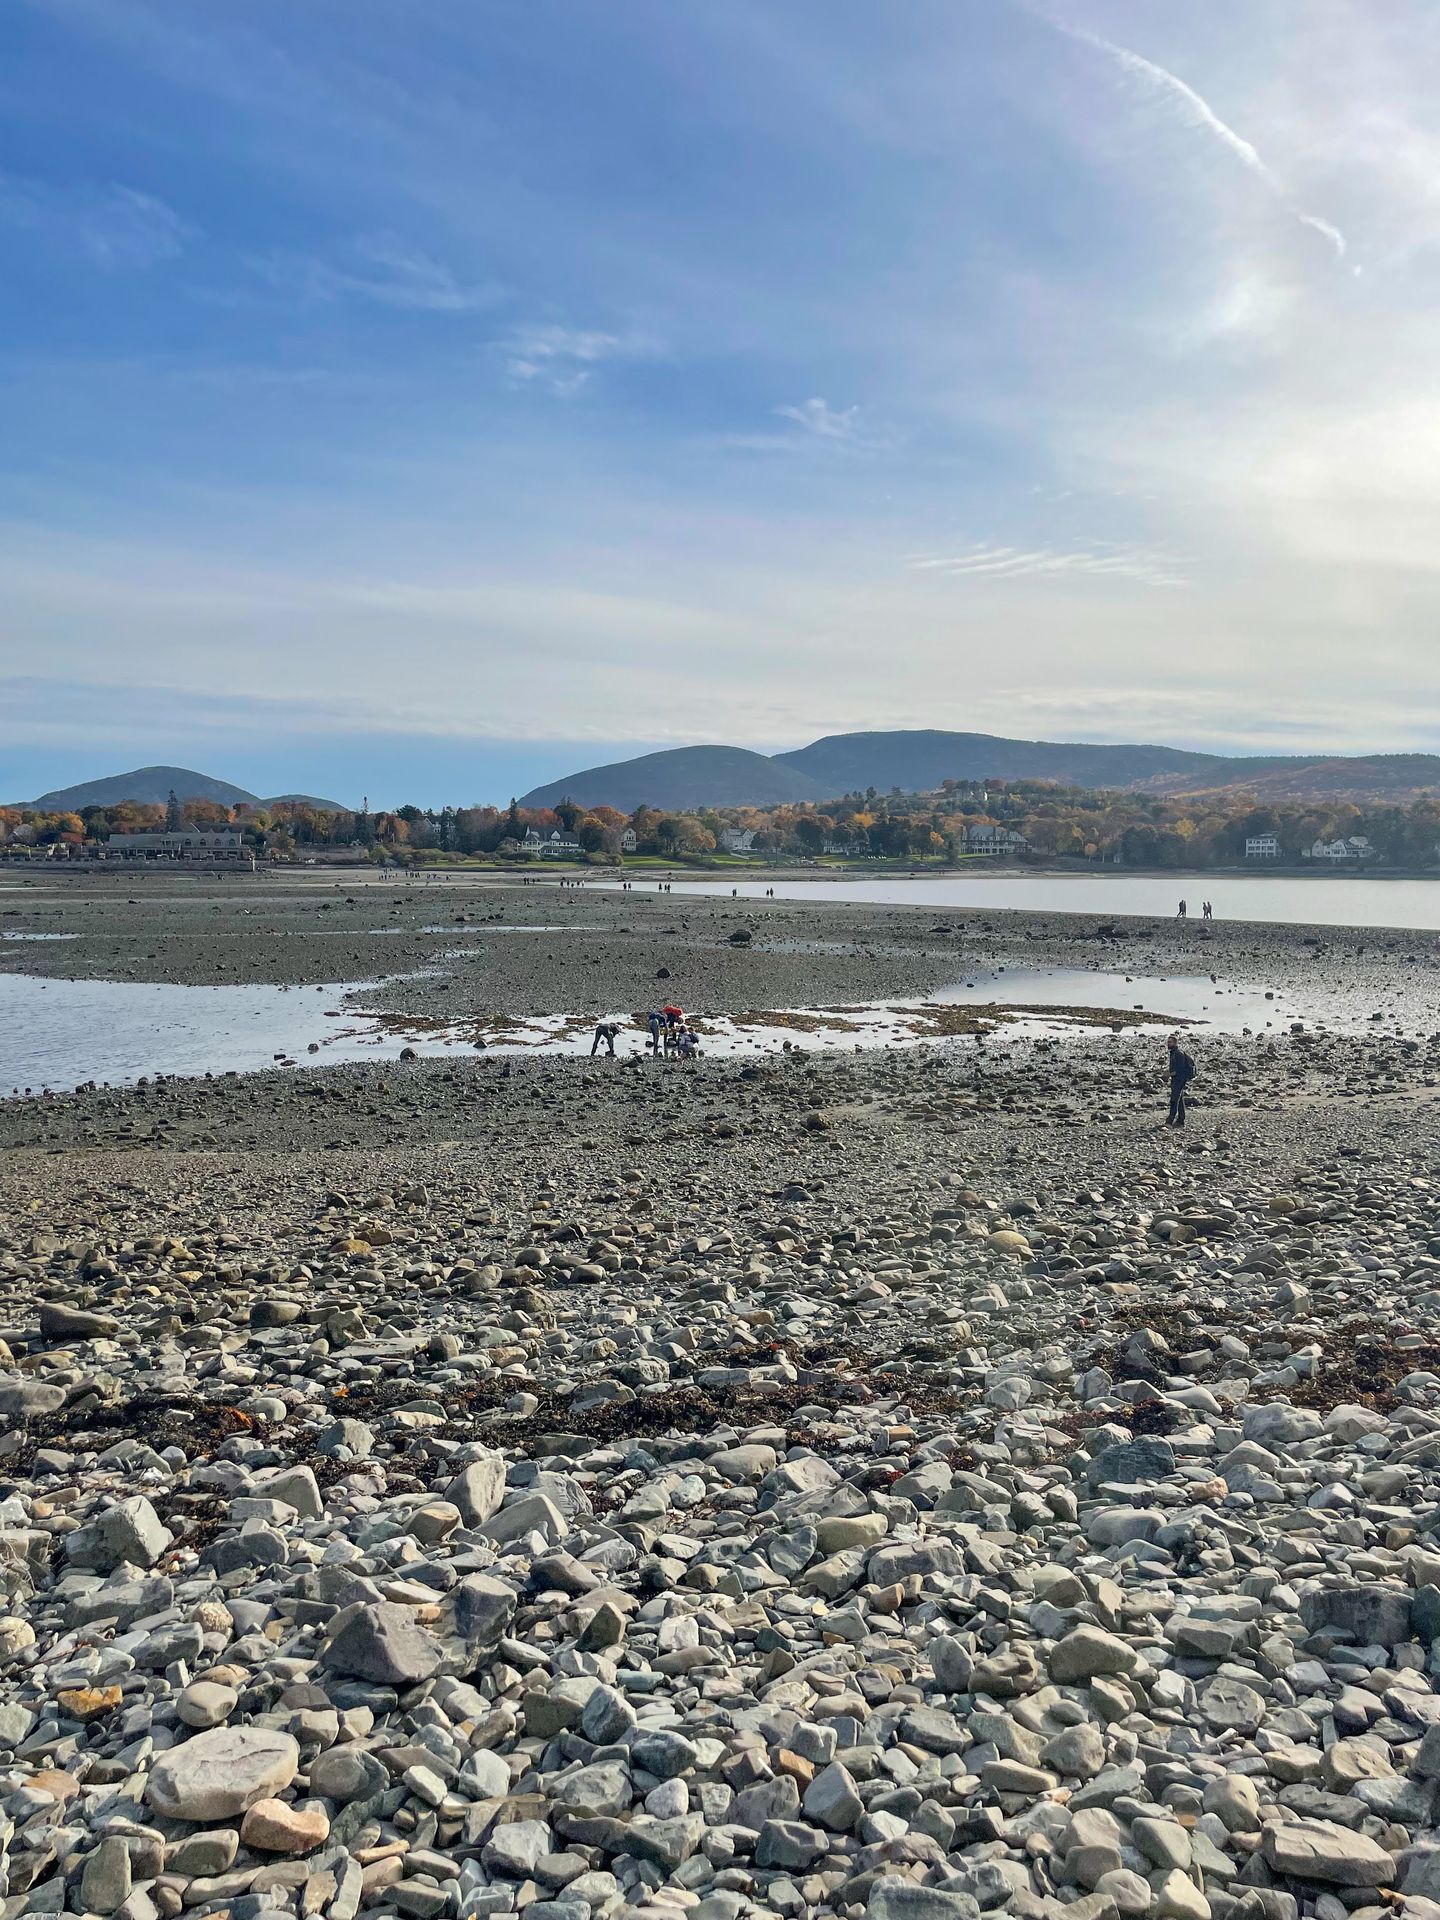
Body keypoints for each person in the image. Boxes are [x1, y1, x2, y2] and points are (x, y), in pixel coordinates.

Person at [1166, 1032, 1195, 1128]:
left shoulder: (1178, 1054)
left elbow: (1180, 1069)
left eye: (1170, 1042)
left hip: (1180, 1079)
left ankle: (1169, 1121)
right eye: (1168, 1042)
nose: (1168, 1044)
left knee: (1174, 1100)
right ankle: (1181, 1120)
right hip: (1176, 1079)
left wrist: (1169, 1074)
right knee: (1180, 1099)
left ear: (1175, 1043)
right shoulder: (1173, 1053)